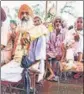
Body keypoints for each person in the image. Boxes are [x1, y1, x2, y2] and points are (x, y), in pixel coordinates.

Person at [28, 16, 48, 83]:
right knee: (34, 61)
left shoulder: (43, 27)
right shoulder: (33, 28)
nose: (36, 22)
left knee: (41, 61)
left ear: (41, 21)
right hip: (33, 46)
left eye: (38, 20)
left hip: (40, 46)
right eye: (35, 21)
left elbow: (45, 35)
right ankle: (33, 78)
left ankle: (40, 78)